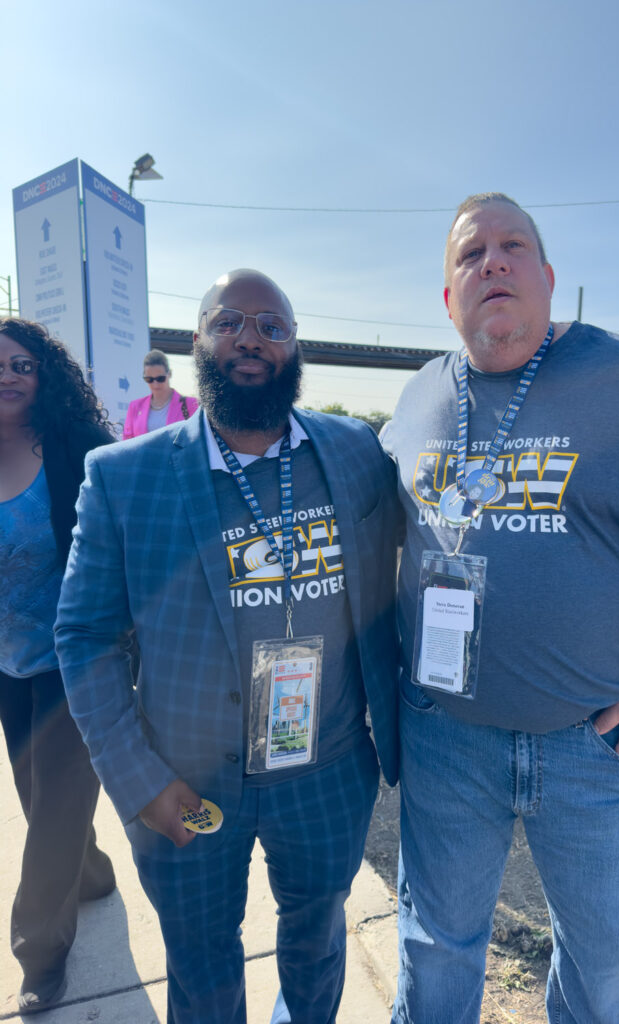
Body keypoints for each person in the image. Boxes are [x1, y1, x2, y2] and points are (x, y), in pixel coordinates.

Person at [382, 192, 619, 1024]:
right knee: (435, 947)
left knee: (602, 965)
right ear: (449, 299)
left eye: (513, 246)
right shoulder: (416, 400)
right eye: (470, 255)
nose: (493, 263)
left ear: (549, 280)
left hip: (594, 748)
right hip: (446, 741)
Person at [55, 269, 399, 1024]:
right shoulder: (125, 477)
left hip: (327, 769)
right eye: (230, 322)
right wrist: (136, 780)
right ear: (197, 342)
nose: (251, 338)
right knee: (202, 958)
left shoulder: (353, 451)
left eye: (273, 326)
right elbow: (83, 637)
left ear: (294, 348)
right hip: (184, 781)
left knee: (317, 939)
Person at [0, 317, 116, 1013]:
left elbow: (125, 529)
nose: (8, 375)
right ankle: (94, 873)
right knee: (37, 797)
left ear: (44, 376)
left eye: (21, 364)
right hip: (8, 664)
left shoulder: (76, 450)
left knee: (55, 808)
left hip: (75, 661)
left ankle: (39, 960)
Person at [122, 348, 199, 438]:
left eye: (160, 379)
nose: (155, 384)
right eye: (149, 379)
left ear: (169, 374)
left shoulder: (191, 404)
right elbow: (127, 443)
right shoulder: (134, 407)